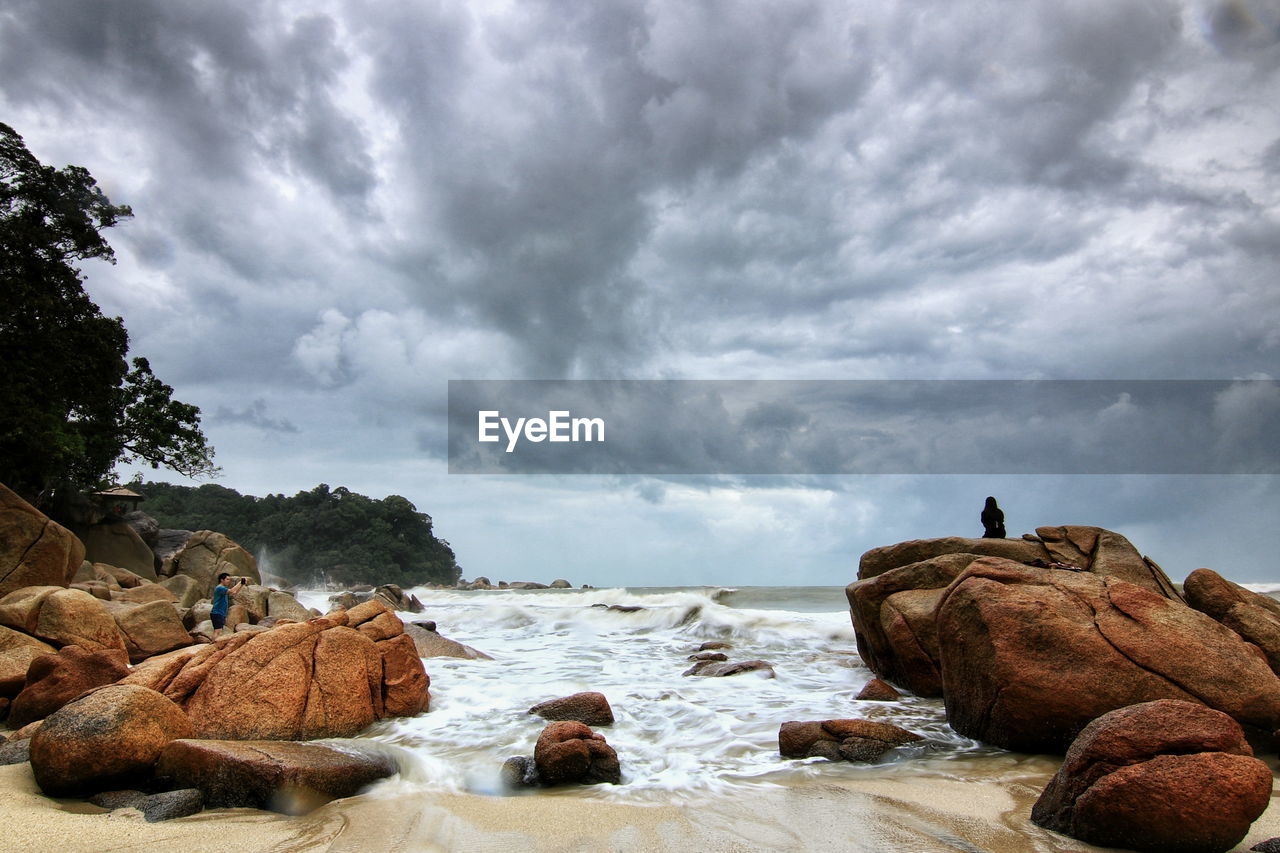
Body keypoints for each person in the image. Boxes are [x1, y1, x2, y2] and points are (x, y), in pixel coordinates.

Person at [211, 572, 246, 637]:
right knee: (217, 631)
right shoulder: (220, 588)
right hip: (217, 612)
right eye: (227, 579)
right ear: (222, 580)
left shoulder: (223, 590)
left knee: (219, 631)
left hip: (221, 612)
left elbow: (234, 593)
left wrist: (241, 584)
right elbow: (232, 590)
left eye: (229, 580)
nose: (229, 581)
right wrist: (240, 582)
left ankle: (214, 644)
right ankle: (213, 645)